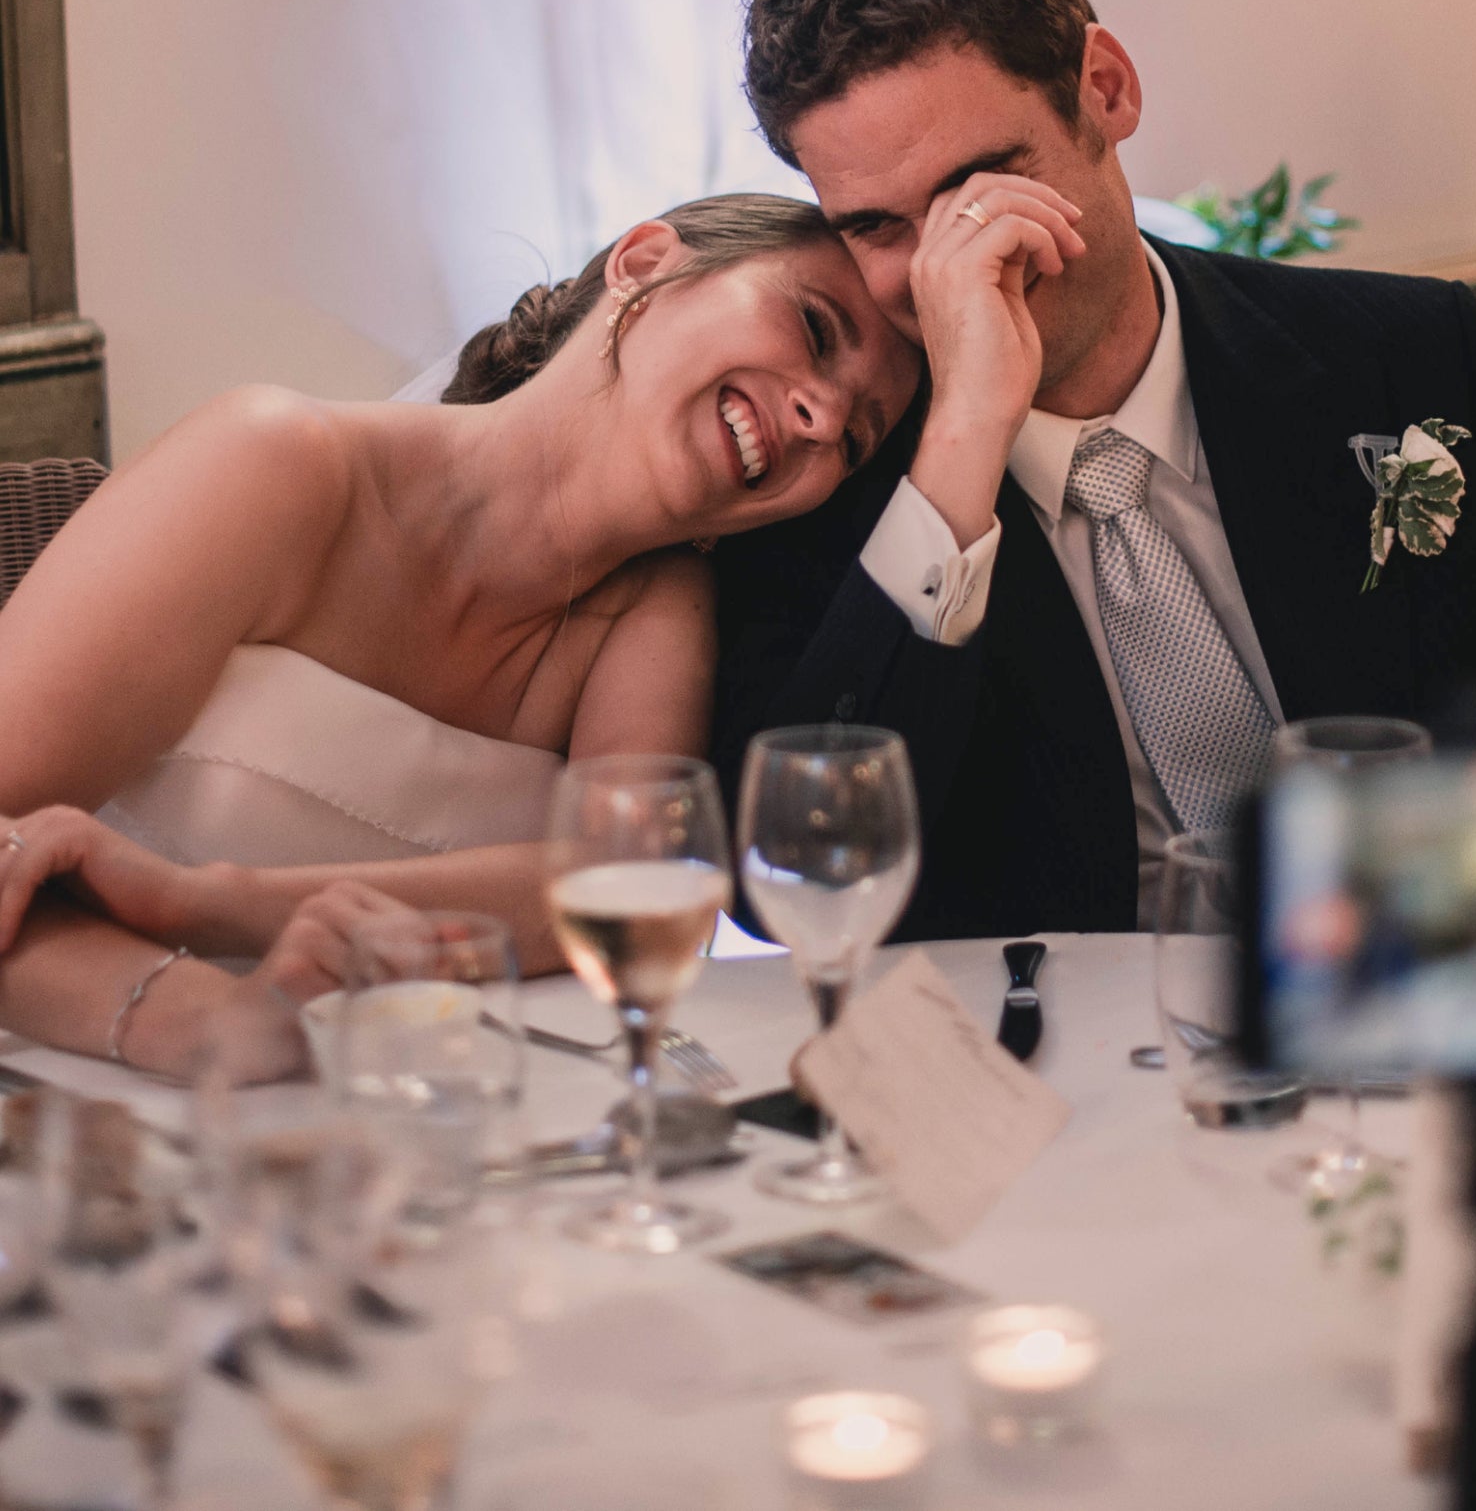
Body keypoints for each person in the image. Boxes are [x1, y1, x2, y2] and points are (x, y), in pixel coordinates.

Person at [713, 0, 1476, 941]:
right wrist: (961, 451)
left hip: (1422, 1002)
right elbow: (794, 879)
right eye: (878, 230)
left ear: (1106, 90)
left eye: (976, 189)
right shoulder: (829, 493)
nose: (948, 264)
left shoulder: (1410, 355)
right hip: (1049, 1086)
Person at [0, 194, 919, 1076]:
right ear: (644, 264)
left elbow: (628, 888)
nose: (824, 417)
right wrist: (193, 1016)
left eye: (856, 440)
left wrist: (215, 905)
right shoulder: (275, 466)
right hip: (78, 1081)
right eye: (814, 327)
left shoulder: (656, 612)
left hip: (409, 1113)